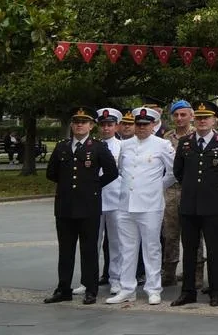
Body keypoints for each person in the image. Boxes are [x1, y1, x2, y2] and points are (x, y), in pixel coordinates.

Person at [44, 106, 120, 306]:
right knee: (66, 250)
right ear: (72, 125)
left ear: (91, 126)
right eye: (76, 122)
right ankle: (64, 288)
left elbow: (112, 172)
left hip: (89, 206)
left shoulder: (97, 147)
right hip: (65, 206)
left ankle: (90, 289)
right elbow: (51, 173)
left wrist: (94, 186)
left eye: (84, 122)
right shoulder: (62, 146)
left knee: (89, 250)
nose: (79, 125)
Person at [106, 107, 174, 305]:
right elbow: (122, 171)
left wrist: (156, 187)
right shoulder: (125, 145)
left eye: (146, 124)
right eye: (138, 124)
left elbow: (172, 171)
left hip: (150, 204)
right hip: (126, 203)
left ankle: (153, 288)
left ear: (153, 125)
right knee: (127, 248)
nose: (142, 128)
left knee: (151, 247)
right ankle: (127, 288)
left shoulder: (162, 144)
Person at [171, 100, 218, 307]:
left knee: (216, 249)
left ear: (214, 120)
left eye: (206, 118)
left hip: (215, 205)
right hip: (190, 205)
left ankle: (217, 290)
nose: (202, 121)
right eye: (198, 118)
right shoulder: (186, 142)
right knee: (189, 249)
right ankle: (188, 290)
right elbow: (178, 172)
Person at [161, 100, 195, 287]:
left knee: (193, 234)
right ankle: (169, 273)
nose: (179, 118)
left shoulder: (197, 135)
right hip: (171, 190)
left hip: (191, 190)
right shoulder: (166, 138)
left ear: (191, 116)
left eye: (183, 114)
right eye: (176, 115)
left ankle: (196, 274)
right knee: (170, 233)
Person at [95, 108, 125, 296]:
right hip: (95, 200)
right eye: (103, 125)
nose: (106, 128)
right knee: (92, 243)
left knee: (116, 243)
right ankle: (88, 279)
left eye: (110, 125)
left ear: (117, 126)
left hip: (116, 199)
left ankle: (116, 279)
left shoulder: (123, 146)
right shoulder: (92, 145)